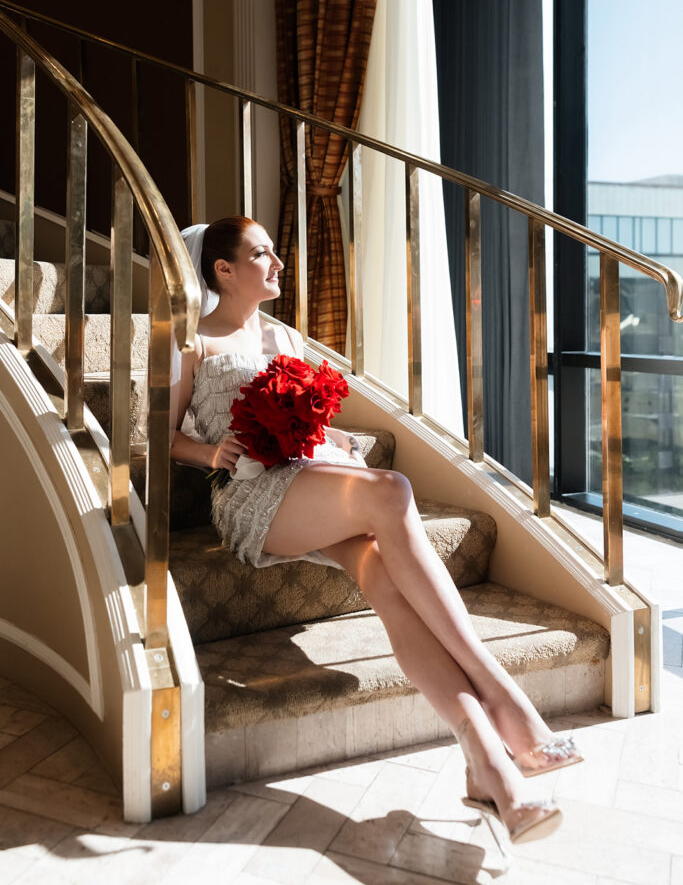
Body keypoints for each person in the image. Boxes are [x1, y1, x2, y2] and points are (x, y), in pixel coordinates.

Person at [172, 216, 582, 846]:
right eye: (262, 254)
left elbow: (306, 422)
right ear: (223, 270)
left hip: (311, 480)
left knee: (387, 582)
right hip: (251, 496)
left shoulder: (282, 335)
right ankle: (505, 697)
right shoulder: (192, 341)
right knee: (392, 490)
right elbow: (156, 436)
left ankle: (491, 767)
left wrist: (326, 435)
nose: (278, 264)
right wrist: (212, 454)